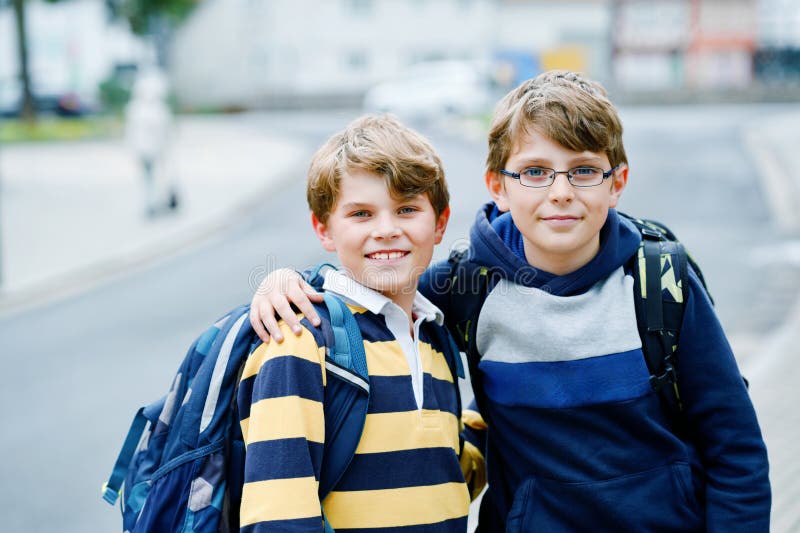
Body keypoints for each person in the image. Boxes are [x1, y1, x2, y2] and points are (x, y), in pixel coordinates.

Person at [248, 70, 771, 532]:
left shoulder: (661, 282)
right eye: (536, 171)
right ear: (499, 185)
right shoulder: (464, 289)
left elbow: (736, 448)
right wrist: (291, 282)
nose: (561, 191)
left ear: (617, 183)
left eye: (584, 170)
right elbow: (378, 288)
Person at [237, 114, 483, 532]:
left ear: (440, 223)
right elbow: (278, 516)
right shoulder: (300, 341)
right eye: (362, 214)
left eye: (407, 209)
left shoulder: (433, 338)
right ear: (324, 229)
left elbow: (444, 475)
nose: (386, 230)